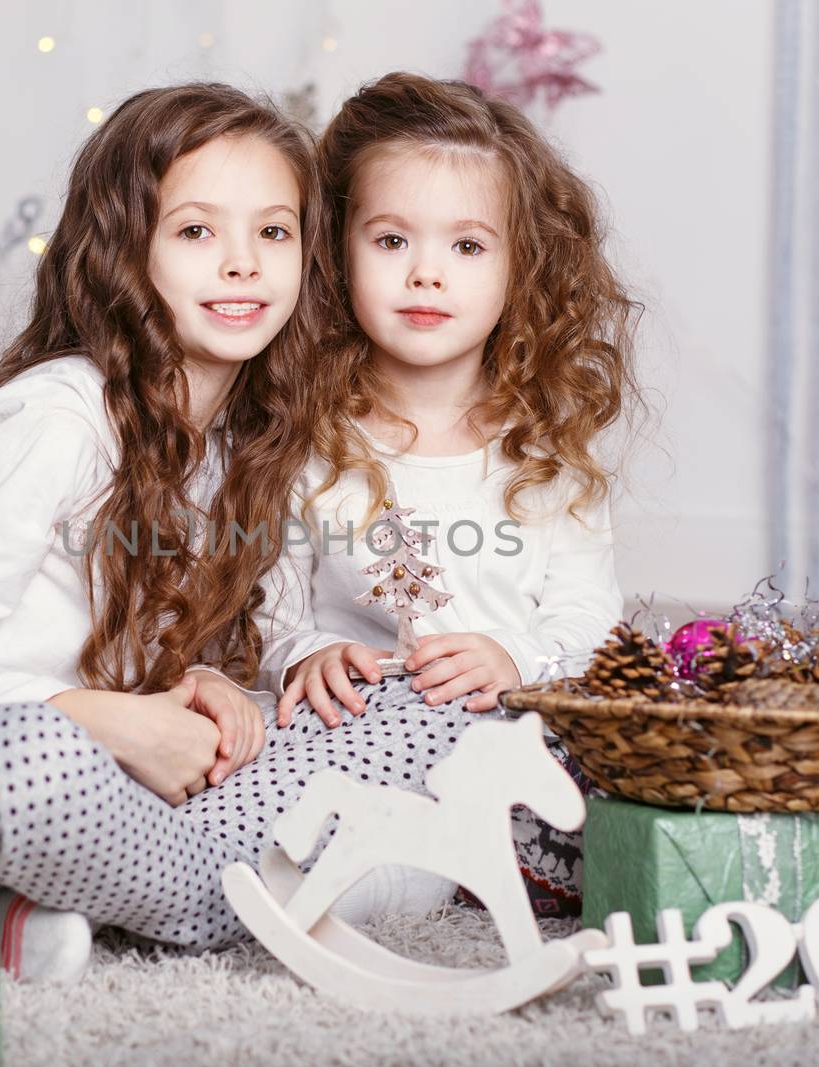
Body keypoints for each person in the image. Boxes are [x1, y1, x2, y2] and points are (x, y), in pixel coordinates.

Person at [0, 82, 482, 984]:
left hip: (123, 782)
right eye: (197, 231)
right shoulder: (58, 419)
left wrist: (256, 672)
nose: (242, 264)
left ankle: (37, 905)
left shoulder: (259, 436)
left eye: (272, 232)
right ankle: (217, 899)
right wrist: (110, 723)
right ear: (126, 250)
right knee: (33, 762)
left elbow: (258, 636)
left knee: (413, 706)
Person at [257, 72, 639, 917]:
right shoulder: (311, 445)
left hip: (505, 744)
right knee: (269, 789)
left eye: (467, 247)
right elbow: (268, 610)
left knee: (596, 810)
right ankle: (296, 874)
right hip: (358, 739)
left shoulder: (544, 457)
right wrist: (309, 653)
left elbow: (590, 626)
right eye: (392, 241)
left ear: (519, 269)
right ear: (337, 251)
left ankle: (387, 876)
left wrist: (514, 660)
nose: (427, 274)